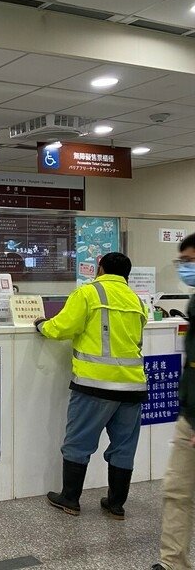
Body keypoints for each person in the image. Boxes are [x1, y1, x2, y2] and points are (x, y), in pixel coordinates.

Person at [34, 252, 147, 518]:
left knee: (79, 442)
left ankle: (70, 498)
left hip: (95, 385)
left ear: (100, 268)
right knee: (123, 447)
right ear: (126, 274)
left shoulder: (89, 293)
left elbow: (62, 327)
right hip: (133, 387)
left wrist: (42, 326)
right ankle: (116, 504)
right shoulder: (137, 300)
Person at [152, 234, 195, 570]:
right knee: (177, 491)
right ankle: (172, 564)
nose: (186, 268)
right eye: (183, 262)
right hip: (189, 416)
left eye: (191, 261)